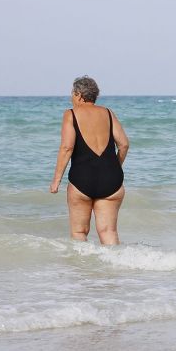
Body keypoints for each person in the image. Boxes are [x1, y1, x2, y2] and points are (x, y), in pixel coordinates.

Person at [49, 76, 130, 245]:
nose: (71, 97)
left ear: (78, 95)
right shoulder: (108, 113)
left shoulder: (70, 114)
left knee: (79, 232)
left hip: (82, 181)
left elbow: (67, 148)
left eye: (72, 93)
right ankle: (115, 268)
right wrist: (115, 167)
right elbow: (123, 145)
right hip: (112, 181)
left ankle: (82, 271)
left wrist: (56, 180)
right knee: (108, 232)